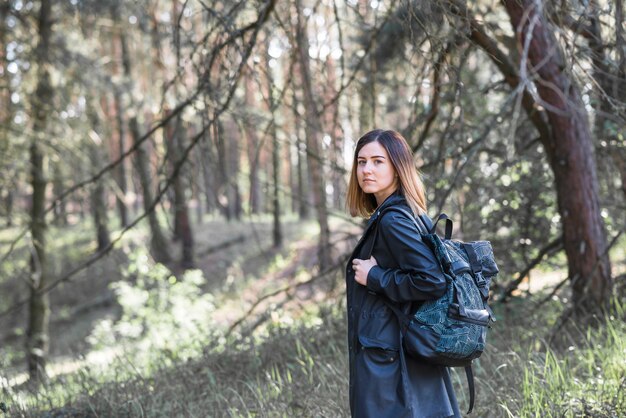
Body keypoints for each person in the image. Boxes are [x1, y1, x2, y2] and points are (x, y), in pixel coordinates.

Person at [345, 129, 461, 418]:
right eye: (361, 162)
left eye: (377, 161)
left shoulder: (394, 220)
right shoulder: (403, 211)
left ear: (398, 167)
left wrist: (375, 277)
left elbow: (432, 280)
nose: (366, 170)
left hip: (389, 356)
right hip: (400, 347)